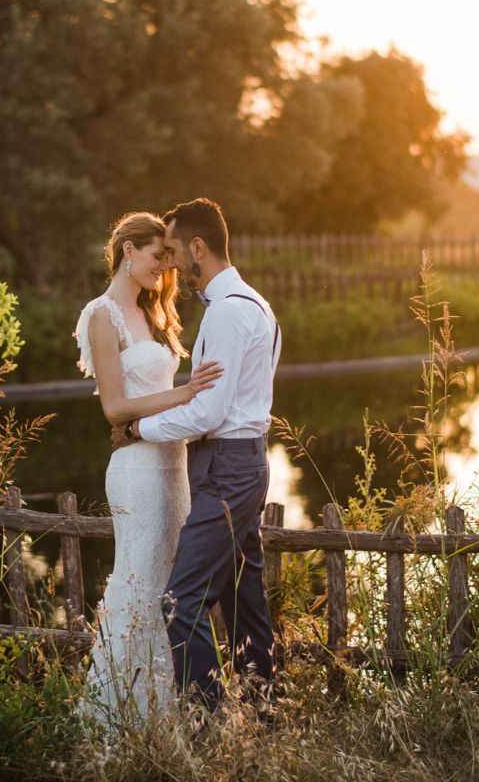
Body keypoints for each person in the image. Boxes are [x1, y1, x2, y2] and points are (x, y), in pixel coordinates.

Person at [111, 197, 280, 714]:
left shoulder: (229, 313)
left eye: (177, 251)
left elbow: (208, 414)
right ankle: (263, 714)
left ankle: (208, 725)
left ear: (199, 248)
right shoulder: (254, 303)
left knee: (179, 604)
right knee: (242, 601)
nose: (172, 265)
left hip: (227, 466)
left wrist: (140, 428)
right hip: (239, 463)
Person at [73, 211, 224, 726]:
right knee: (136, 586)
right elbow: (114, 409)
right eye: (158, 254)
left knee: (166, 590)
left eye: (169, 255)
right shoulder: (103, 315)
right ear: (127, 251)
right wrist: (184, 392)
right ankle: (114, 720)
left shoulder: (153, 315)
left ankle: (163, 720)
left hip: (173, 466)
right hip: (136, 469)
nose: (167, 264)